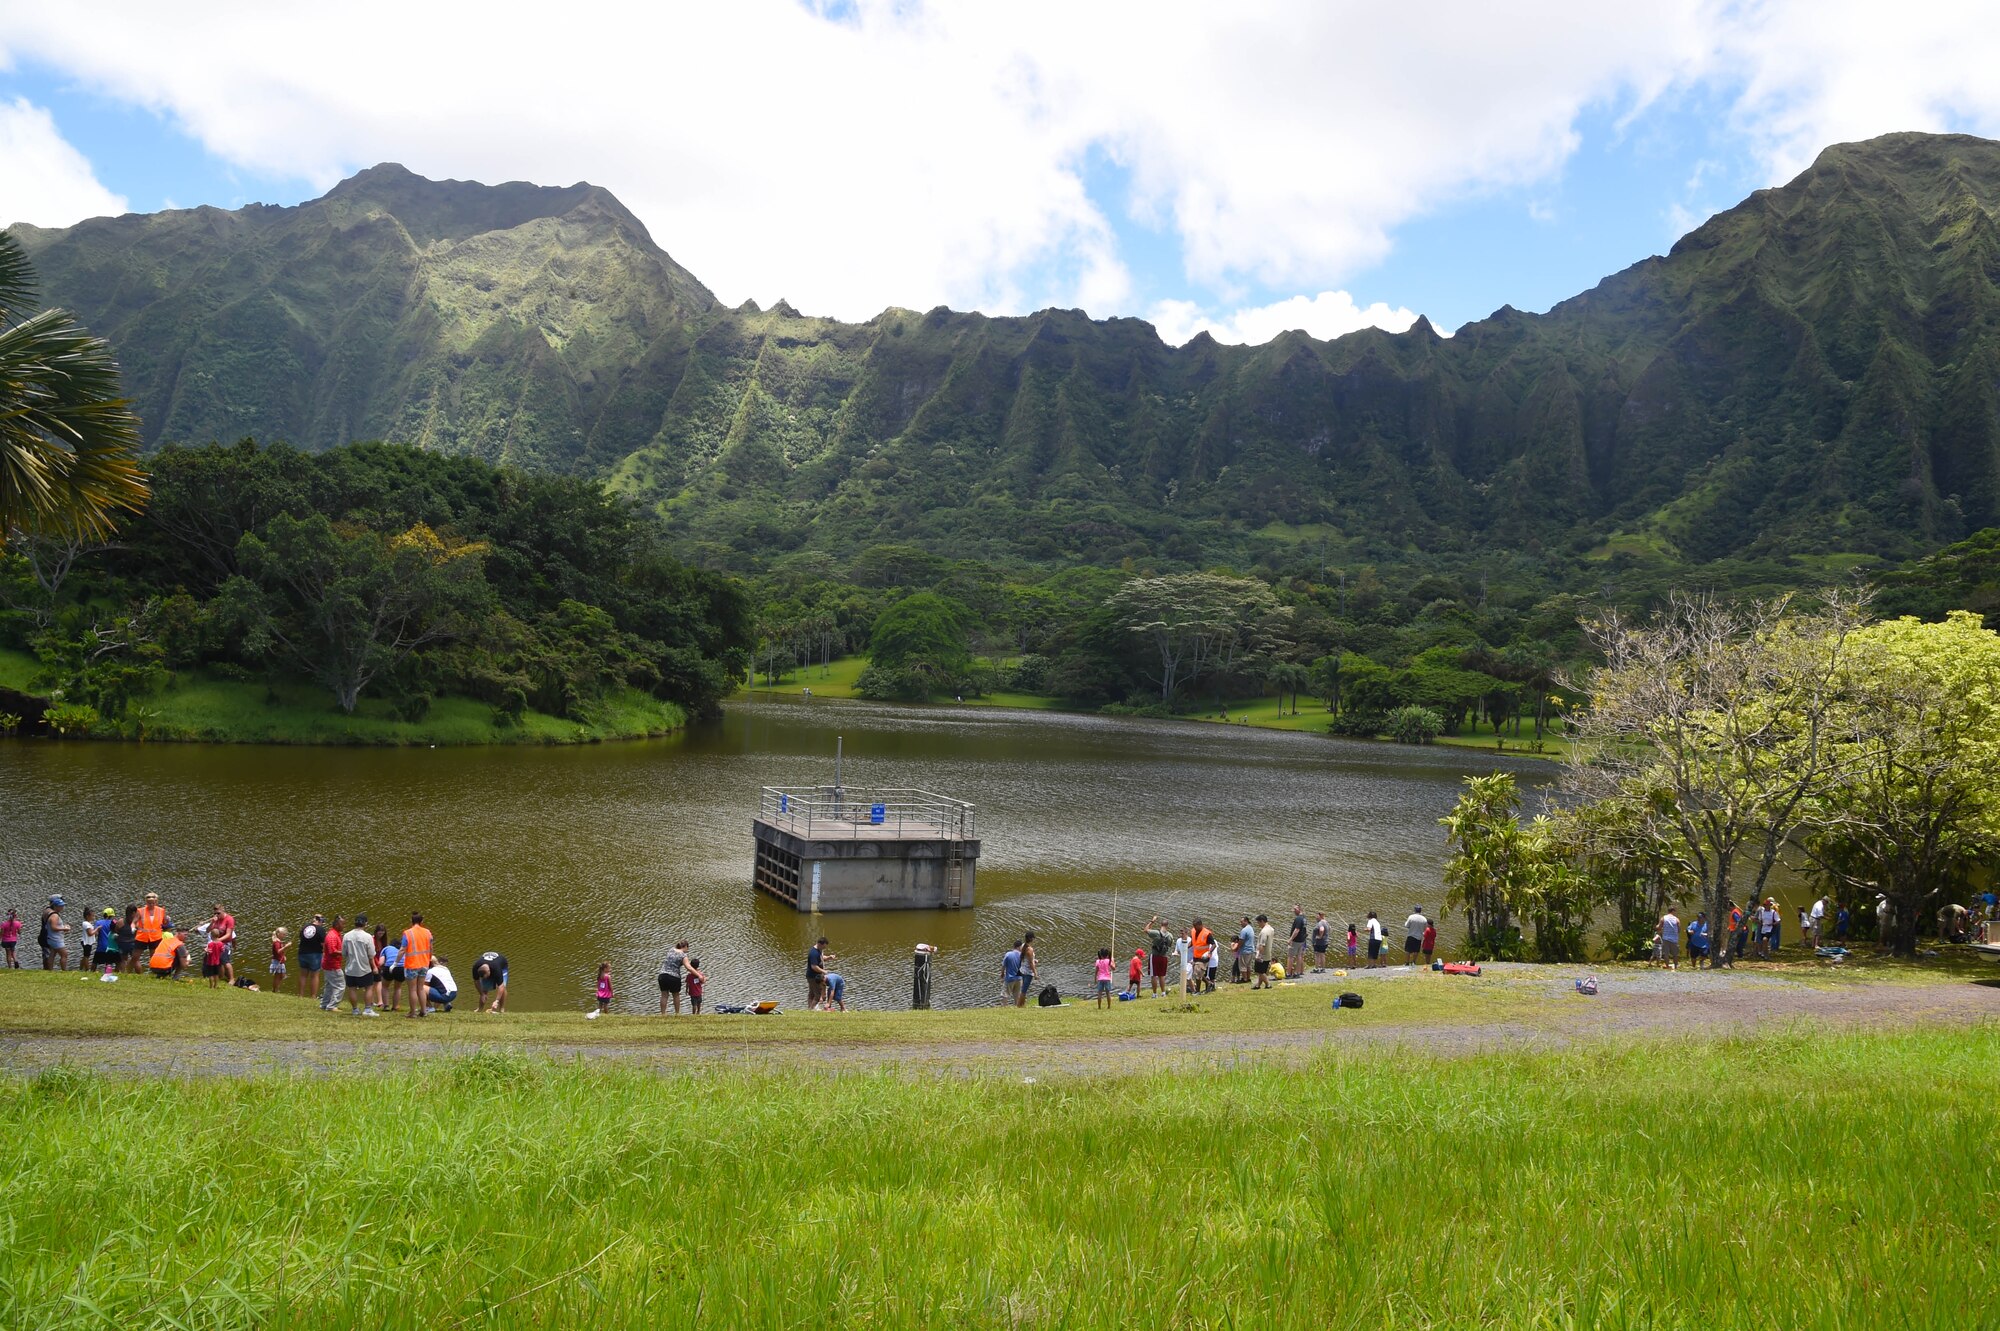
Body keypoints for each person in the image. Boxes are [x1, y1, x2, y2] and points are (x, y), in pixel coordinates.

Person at [341, 913, 379, 1016]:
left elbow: (344, 953)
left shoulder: (346, 936)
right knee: (369, 987)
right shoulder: (367, 937)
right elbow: (371, 954)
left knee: (352, 988)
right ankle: (367, 1009)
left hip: (350, 968)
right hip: (364, 968)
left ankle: (355, 1010)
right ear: (365, 924)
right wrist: (374, 967)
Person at [400, 913, 435, 1018]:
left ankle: (412, 1013)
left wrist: (396, 962)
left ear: (411, 921)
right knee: (420, 988)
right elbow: (431, 948)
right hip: (424, 964)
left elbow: (402, 949)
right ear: (421, 922)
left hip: (412, 964)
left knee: (412, 989)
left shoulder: (407, 933)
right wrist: (429, 959)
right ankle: (423, 1011)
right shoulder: (428, 933)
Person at [134, 892, 167, 970]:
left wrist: (167, 920)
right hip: (142, 936)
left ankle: (153, 972)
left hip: (155, 937)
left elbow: (164, 922)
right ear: (146, 902)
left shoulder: (161, 910)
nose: (151, 905)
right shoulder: (140, 910)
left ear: (156, 902)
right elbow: (134, 922)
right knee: (135, 957)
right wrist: (134, 928)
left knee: (153, 957)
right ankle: (134, 973)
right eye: (149, 903)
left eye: (153, 903)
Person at [319, 916, 346, 1011]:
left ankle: (324, 1004)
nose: (344, 926)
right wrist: (345, 952)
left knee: (329, 986)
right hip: (332, 965)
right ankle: (332, 1006)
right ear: (337, 924)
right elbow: (332, 951)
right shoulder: (332, 936)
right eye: (343, 924)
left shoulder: (335, 934)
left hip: (329, 965)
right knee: (340, 985)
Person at [297, 914, 326, 1000]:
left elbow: (301, 938)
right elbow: (323, 943)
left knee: (303, 975)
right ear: (319, 920)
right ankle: (313, 996)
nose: (323, 923)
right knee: (314, 975)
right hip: (315, 954)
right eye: (323, 921)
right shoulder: (320, 929)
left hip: (302, 953)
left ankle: (300, 995)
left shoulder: (305, 927)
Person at [1145, 916, 1175, 996]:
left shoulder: (1156, 933)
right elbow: (1170, 945)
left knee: (1153, 975)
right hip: (1164, 957)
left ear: (1160, 925)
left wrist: (1152, 921)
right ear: (1167, 926)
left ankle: (1154, 994)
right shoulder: (1170, 936)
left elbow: (1146, 930)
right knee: (1161, 976)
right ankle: (1163, 993)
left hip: (1154, 956)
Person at [659, 940, 689, 1015]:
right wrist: (699, 975)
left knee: (664, 995)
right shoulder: (683, 955)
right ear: (685, 947)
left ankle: (663, 1014)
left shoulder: (671, 950)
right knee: (676, 995)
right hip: (674, 977)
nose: (687, 951)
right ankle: (677, 1013)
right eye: (687, 948)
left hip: (662, 975)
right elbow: (688, 967)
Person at [376, 927, 403, 1012]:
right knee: (398, 987)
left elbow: (380, 963)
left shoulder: (386, 948)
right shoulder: (402, 949)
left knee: (385, 986)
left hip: (389, 966)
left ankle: (386, 1006)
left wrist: (382, 969)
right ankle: (395, 1007)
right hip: (401, 967)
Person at [210, 903, 236, 987]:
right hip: (217, 942)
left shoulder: (229, 919)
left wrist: (218, 940)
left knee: (225, 960)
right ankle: (221, 977)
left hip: (225, 943)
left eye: (218, 913)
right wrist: (212, 923)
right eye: (215, 913)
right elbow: (208, 930)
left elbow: (229, 934)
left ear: (223, 910)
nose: (216, 915)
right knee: (218, 961)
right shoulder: (216, 919)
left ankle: (232, 979)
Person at [40, 896, 68, 971]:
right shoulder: (54, 915)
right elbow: (54, 927)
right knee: (64, 954)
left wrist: (62, 926)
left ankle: (50, 970)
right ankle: (64, 971)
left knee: (52, 954)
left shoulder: (50, 912)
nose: (62, 907)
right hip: (56, 939)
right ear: (55, 906)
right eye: (61, 906)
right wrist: (64, 928)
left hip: (51, 938)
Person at [94, 908, 120, 978]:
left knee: (95, 962)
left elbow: (95, 934)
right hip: (111, 947)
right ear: (111, 915)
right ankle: (112, 974)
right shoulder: (114, 923)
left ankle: (91, 973)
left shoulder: (98, 923)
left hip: (101, 947)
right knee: (113, 963)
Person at [1187, 919, 1211, 992]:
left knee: (1198, 974)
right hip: (1196, 956)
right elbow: (1192, 942)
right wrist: (1186, 947)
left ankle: (1197, 991)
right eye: (1193, 926)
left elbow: (1213, 945)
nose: (1194, 928)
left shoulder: (1207, 933)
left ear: (1200, 925)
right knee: (1198, 973)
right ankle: (1209, 983)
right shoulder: (1193, 931)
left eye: (1196, 926)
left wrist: (1209, 952)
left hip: (1203, 958)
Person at [1253, 914, 1275, 989]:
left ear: (1262, 921)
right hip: (1268, 954)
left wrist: (1258, 955)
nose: (1258, 925)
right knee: (1262, 971)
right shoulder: (1271, 929)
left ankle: (1268, 984)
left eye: (1258, 923)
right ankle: (1258, 985)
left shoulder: (1264, 932)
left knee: (1260, 972)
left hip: (1263, 955)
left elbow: (1262, 945)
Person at [1017, 930, 1039, 1006]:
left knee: (1023, 989)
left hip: (1022, 970)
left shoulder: (1023, 945)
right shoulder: (1030, 949)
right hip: (1027, 972)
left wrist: (1034, 960)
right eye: (1033, 938)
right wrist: (1035, 973)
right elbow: (1030, 963)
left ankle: (1022, 1004)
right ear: (1031, 939)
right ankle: (1019, 1006)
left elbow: (1025, 958)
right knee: (1024, 990)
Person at [807, 936, 829, 1009]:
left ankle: (810, 1008)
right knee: (817, 994)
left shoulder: (819, 950)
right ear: (819, 944)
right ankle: (812, 1009)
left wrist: (829, 957)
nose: (824, 949)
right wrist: (823, 971)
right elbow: (814, 966)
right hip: (813, 977)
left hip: (815, 976)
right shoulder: (813, 953)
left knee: (812, 993)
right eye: (824, 947)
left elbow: (821, 958)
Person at [1001, 940, 1024, 1006]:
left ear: (1014, 946)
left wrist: (1002, 974)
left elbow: (1003, 966)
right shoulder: (1022, 956)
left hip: (1010, 979)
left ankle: (1004, 1007)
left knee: (1005, 994)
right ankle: (1017, 1008)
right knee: (1017, 996)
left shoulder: (1008, 954)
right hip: (1019, 979)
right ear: (1019, 947)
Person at [1658, 907, 1681, 972]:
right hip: (1674, 939)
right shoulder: (1677, 919)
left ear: (1668, 911)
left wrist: (1658, 928)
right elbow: (1679, 930)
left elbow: (1659, 927)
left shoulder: (1663, 918)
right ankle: (1676, 966)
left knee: (1666, 954)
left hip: (1665, 938)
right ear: (1673, 911)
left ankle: (1667, 966)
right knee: (1675, 954)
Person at [1288, 906, 1309, 977]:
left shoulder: (1298, 919)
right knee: (1299, 956)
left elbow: (1296, 930)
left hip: (1296, 941)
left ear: (1299, 910)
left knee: (1290, 956)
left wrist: (1290, 939)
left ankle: (1288, 973)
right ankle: (1297, 972)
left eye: (1295, 909)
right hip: (1302, 940)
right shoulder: (1304, 918)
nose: (1294, 911)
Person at [1233, 916, 1254, 984]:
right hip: (1251, 950)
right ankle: (1248, 978)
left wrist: (1236, 948)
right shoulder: (1250, 928)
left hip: (1245, 951)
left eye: (1241, 922)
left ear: (1246, 921)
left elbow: (1241, 941)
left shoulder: (1244, 930)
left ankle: (1244, 979)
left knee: (1243, 966)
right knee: (1248, 966)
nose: (1240, 923)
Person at [1174, 928, 1193, 997]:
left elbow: (1195, 951)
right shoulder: (1178, 940)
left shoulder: (1190, 941)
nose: (1181, 935)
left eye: (1183, 934)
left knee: (1186, 976)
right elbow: (1177, 950)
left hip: (1190, 961)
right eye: (1180, 933)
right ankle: (1192, 989)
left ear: (1186, 933)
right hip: (1183, 962)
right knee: (1188, 977)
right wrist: (1175, 953)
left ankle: (1188, 990)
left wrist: (1193, 960)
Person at [75, 903, 95, 971]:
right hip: (86, 942)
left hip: (88, 941)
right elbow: (90, 933)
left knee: (85, 956)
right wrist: (97, 929)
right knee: (87, 956)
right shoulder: (86, 924)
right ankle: (87, 969)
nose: (93, 917)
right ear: (87, 916)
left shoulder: (88, 923)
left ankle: (80, 968)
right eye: (92, 916)